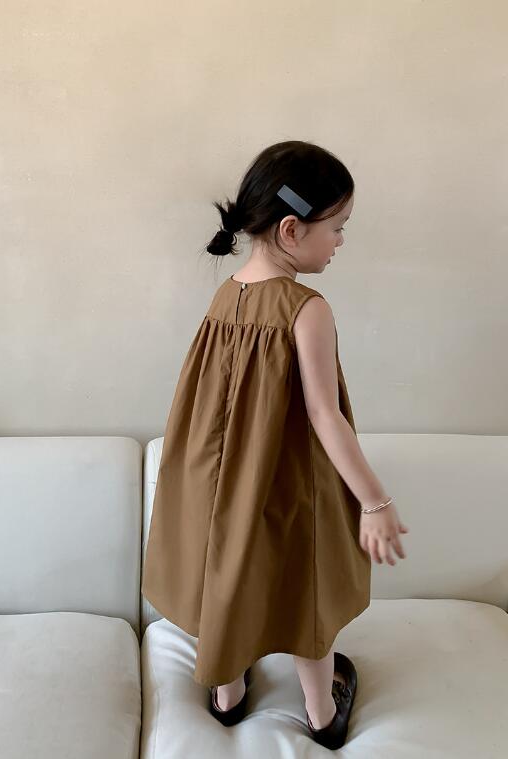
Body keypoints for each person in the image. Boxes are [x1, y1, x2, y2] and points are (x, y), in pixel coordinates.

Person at [141, 140, 409, 749]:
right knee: (304, 585)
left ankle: (229, 695)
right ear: (292, 229)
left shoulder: (225, 294)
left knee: (228, 573)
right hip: (286, 482)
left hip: (218, 481)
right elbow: (324, 416)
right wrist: (374, 501)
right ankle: (320, 712)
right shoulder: (306, 308)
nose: (340, 241)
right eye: (337, 227)